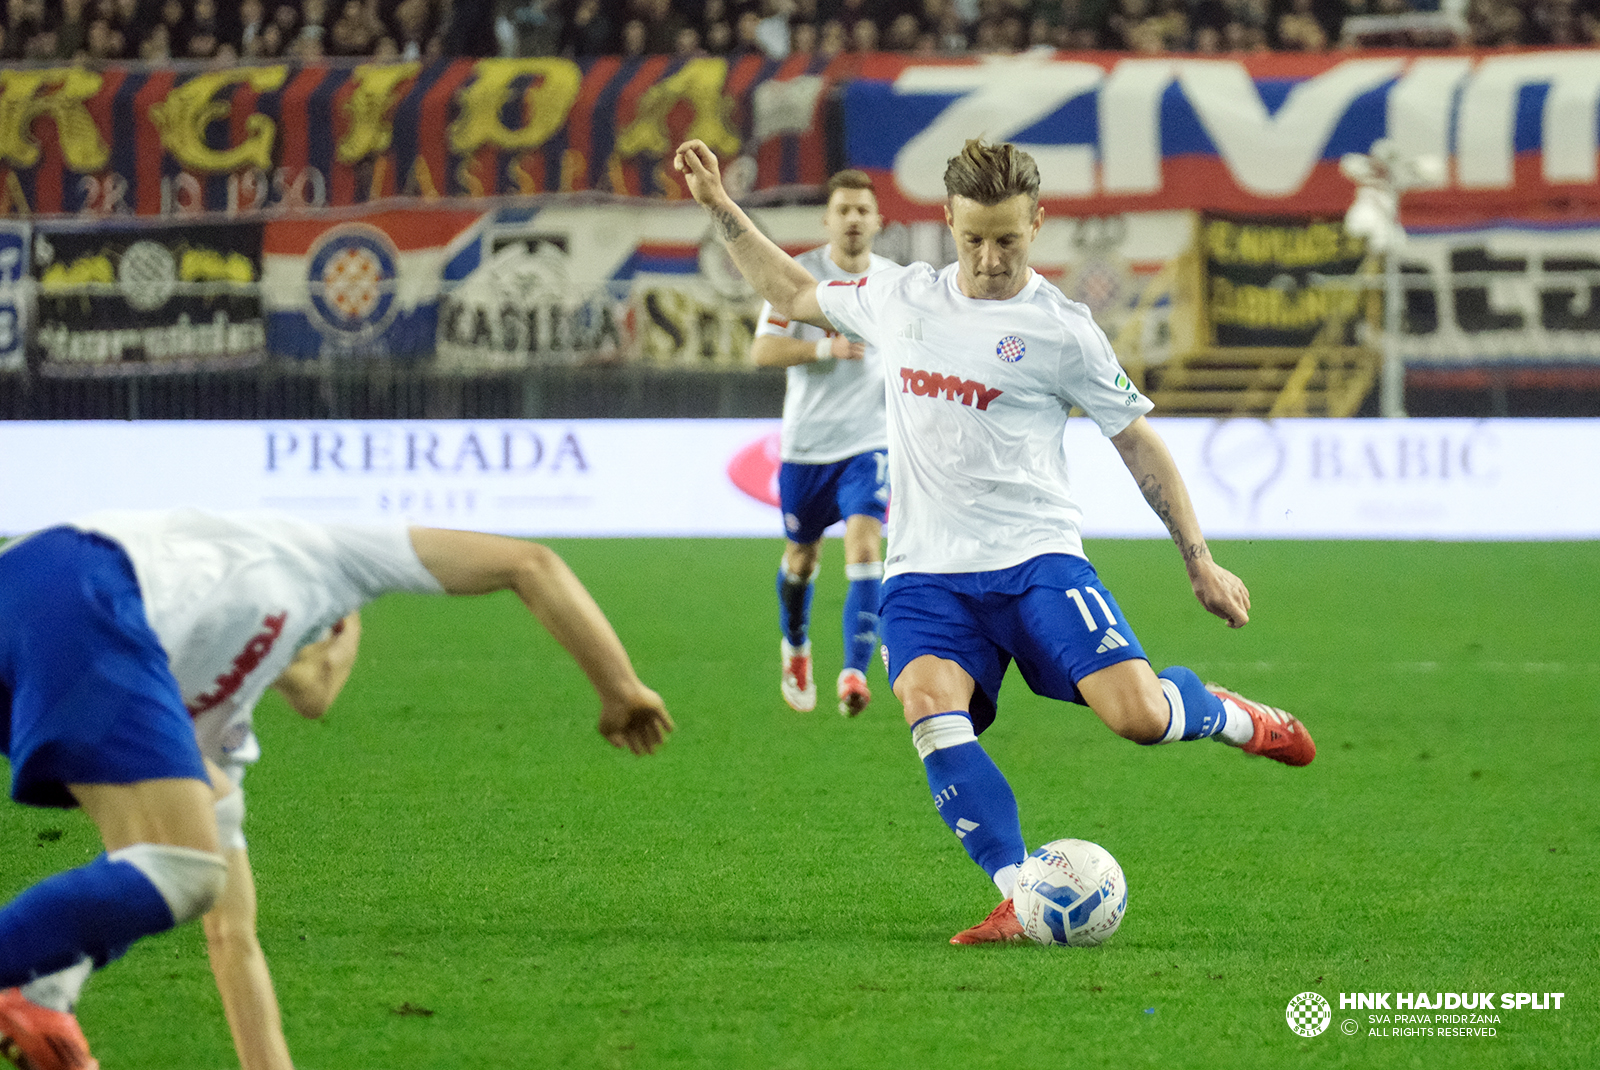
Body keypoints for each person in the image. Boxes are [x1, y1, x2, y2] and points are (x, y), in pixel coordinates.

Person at [674, 136, 1314, 945]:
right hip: (926, 577)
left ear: (1038, 224)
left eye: (1006, 239)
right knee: (927, 705)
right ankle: (1020, 893)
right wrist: (719, 209)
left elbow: (1137, 440)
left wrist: (1199, 559)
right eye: (972, 238)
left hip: (1036, 561)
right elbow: (793, 291)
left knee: (1138, 718)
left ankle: (1227, 714)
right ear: (946, 221)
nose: (987, 258)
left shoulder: (1062, 330)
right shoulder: (899, 298)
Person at [0, 509, 673, 1069]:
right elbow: (529, 563)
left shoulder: (209, 724)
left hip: (43, 606)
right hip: (87, 581)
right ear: (344, 628)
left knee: (182, 861)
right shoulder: (329, 557)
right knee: (182, 867)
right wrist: (620, 686)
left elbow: (232, 941)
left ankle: (46, 988)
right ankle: (29, 980)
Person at [750, 169, 897, 717]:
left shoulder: (892, 284)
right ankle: (795, 647)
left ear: (878, 221)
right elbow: (762, 351)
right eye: (844, 209)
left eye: (863, 210)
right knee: (802, 559)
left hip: (869, 443)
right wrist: (821, 351)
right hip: (808, 448)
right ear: (827, 218)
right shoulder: (799, 278)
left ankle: (855, 673)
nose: (854, 219)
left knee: (863, 548)